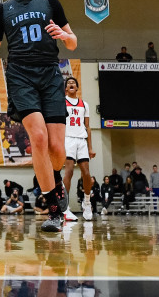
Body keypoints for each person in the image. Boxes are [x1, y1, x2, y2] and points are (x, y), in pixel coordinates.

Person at [0, 0, 78, 233]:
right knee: (38, 137)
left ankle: (55, 181)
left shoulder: (50, 2)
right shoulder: (2, 11)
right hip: (20, 74)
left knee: (57, 150)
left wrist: (64, 36)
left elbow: (72, 43)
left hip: (50, 73)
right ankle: (53, 210)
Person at [61, 76, 95, 221]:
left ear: (77, 87)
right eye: (68, 83)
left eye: (73, 83)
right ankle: (65, 207)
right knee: (68, 172)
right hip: (68, 138)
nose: (71, 84)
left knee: (86, 173)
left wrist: (90, 147)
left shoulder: (84, 104)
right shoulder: (62, 102)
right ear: (65, 88)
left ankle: (87, 202)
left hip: (81, 140)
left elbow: (88, 126)